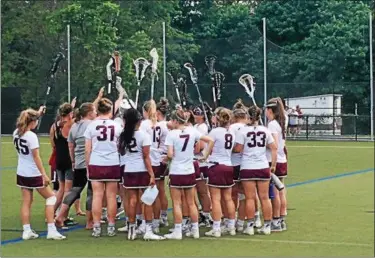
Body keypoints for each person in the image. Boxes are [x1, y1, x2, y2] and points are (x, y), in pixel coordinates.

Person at [14, 107, 66, 240]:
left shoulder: (16, 133)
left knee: (26, 201)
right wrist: (44, 174)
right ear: (32, 122)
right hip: (33, 173)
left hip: (22, 172)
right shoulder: (31, 136)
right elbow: (36, 157)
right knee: (51, 198)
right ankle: (51, 229)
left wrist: (38, 112)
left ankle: (26, 230)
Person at [164, 109, 214, 240]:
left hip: (176, 171)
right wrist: (204, 156)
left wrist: (167, 158)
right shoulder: (192, 131)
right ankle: (195, 230)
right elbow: (210, 140)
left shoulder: (172, 134)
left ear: (175, 120)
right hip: (189, 170)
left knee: (177, 202)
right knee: (191, 202)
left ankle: (178, 231)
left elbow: (169, 154)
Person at [118, 108, 165, 241]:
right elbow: (146, 157)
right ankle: (148, 230)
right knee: (146, 201)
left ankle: (131, 229)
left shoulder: (123, 135)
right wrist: (151, 174)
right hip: (142, 170)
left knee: (132, 200)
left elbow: (121, 151)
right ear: (138, 121)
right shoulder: (143, 135)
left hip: (129, 170)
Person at [234, 106, 277, 235]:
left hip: (247, 167)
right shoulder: (265, 130)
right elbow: (274, 148)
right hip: (263, 166)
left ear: (247, 116)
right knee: (265, 198)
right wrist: (273, 165)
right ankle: (267, 226)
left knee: (250, 198)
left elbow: (238, 149)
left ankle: (250, 226)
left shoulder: (242, 131)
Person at [55, 103, 97, 229]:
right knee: (91, 192)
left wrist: (73, 161)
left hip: (79, 163)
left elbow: (70, 145)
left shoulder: (74, 126)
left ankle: (60, 215)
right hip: (90, 162)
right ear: (89, 113)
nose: (96, 113)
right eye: (94, 111)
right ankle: (90, 222)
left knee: (75, 190)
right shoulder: (92, 125)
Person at [84, 98, 122, 237]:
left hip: (96, 162)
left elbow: (87, 149)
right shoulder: (117, 126)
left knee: (97, 196)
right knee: (111, 196)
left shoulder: (91, 126)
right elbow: (120, 146)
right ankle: (111, 226)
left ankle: (97, 227)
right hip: (112, 162)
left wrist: (88, 166)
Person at [204, 108, 236, 238]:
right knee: (228, 198)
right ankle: (231, 227)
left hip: (216, 166)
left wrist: (203, 157)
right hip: (228, 166)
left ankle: (216, 228)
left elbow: (207, 150)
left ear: (218, 119)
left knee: (216, 199)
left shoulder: (215, 132)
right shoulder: (231, 133)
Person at [265, 98, 288, 231]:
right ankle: (281, 219)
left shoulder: (273, 124)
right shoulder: (281, 121)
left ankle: (276, 220)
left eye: (267, 110)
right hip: (282, 159)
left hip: (273, 160)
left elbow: (273, 144)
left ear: (270, 110)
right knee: (281, 190)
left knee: (274, 192)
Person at [50, 103, 75, 220]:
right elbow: (85, 115)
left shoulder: (54, 126)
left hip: (58, 160)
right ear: (70, 113)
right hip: (68, 160)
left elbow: (53, 144)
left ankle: (51, 213)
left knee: (61, 189)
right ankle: (62, 217)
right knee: (68, 190)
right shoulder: (70, 124)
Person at [192, 106, 212, 227]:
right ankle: (202, 214)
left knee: (202, 191)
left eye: (197, 113)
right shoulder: (196, 127)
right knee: (197, 190)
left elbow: (199, 146)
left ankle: (206, 215)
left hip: (201, 162)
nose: (194, 115)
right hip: (196, 162)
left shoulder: (203, 128)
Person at [155, 98, 171, 227]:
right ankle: (164, 216)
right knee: (161, 189)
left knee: (157, 189)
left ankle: (158, 217)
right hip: (166, 158)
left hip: (159, 158)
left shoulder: (159, 126)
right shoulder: (169, 124)